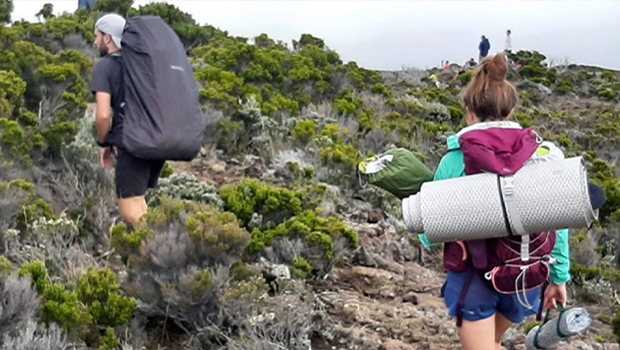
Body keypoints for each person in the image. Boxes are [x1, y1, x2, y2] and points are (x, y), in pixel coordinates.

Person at [418, 54, 570, 350]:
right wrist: (559, 277)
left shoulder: (454, 160)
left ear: (469, 113)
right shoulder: (542, 156)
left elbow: (428, 233)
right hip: (526, 278)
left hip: (476, 279)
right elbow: (560, 221)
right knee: (494, 341)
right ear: (511, 111)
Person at [91, 13, 166, 227]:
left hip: (132, 142)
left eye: (98, 36)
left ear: (108, 38)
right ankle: (158, 250)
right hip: (156, 140)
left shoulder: (105, 66)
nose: (96, 42)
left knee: (130, 212)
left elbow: (104, 114)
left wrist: (104, 142)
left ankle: (154, 256)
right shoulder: (141, 64)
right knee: (139, 202)